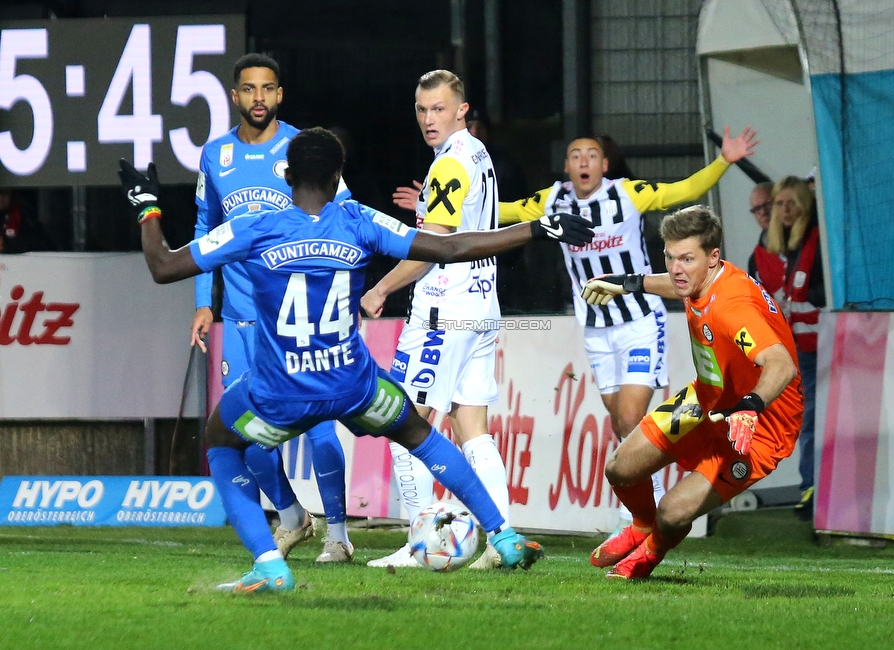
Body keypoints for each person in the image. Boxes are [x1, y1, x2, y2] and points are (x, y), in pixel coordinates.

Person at [119, 127, 590, 590]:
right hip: (353, 386)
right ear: (337, 174)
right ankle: (504, 536)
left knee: (222, 440)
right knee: (420, 434)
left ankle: (269, 565)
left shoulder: (253, 227)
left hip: (281, 392)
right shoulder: (359, 220)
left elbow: (163, 266)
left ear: (285, 175)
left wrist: (148, 208)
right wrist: (539, 228)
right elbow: (450, 247)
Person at [497, 128, 759, 535]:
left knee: (633, 415)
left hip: (639, 320)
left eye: (592, 156)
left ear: (605, 165)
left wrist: (723, 160)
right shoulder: (552, 200)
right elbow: (505, 211)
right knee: (621, 423)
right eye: (575, 156)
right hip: (596, 329)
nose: (583, 162)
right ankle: (649, 501)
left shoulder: (629, 193)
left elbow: (684, 189)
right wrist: (443, 206)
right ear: (566, 167)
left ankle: (635, 516)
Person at [579, 204, 803, 579]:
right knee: (620, 468)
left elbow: (781, 364)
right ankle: (641, 525)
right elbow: (678, 284)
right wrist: (627, 283)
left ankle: (650, 553)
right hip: (705, 399)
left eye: (686, 258)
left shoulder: (732, 306)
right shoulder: (700, 279)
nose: (676, 268)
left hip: (757, 426)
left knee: (673, 511)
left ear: (713, 257)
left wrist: (750, 406)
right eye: (670, 257)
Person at [190, 53, 353, 563]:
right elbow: (205, 230)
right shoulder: (215, 156)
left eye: (268, 89)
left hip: (297, 315)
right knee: (241, 426)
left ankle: (339, 534)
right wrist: (203, 304)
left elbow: (345, 212)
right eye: (249, 89)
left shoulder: (306, 148)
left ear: (280, 95)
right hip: (239, 317)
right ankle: (290, 516)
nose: (258, 97)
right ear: (235, 96)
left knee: (321, 422)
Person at [360, 70, 515, 570]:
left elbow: (436, 247)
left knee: (404, 424)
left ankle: (418, 544)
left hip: (443, 312)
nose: (429, 119)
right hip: (481, 307)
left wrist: (381, 287)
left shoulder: (450, 164)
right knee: (474, 431)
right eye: (422, 110)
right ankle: (502, 540)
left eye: (439, 109)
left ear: (461, 109)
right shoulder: (476, 154)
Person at [752, 176, 824, 521]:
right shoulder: (775, 249)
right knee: (802, 420)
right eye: (778, 204)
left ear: (805, 204)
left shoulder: (816, 241)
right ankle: (810, 486)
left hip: (821, 347)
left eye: (790, 203)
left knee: (811, 420)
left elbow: (819, 295)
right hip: (796, 350)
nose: (783, 210)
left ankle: (811, 488)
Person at [0, 189, 52, 254]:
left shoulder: (24, 216)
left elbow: (37, 243)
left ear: (11, 196)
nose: (0, 198)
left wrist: (5, 244)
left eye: (4, 194)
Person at [746, 181, 773, 280]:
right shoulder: (756, 261)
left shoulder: (805, 240)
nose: (763, 212)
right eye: (757, 209)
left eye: (768, 205)